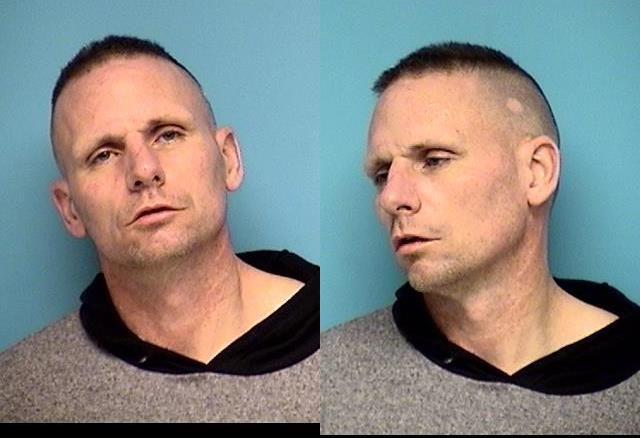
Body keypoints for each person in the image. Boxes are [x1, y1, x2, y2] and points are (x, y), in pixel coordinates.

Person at [322, 42, 640, 434]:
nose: (391, 198)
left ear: (536, 172)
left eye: (434, 160)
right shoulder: (328, 379)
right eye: (382, 175)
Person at [0, 35, 319, 422]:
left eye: (168, 134)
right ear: (70, 210)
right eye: (104, 154)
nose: (143, 170)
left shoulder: (337, 346)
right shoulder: (16, 394)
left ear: (228, 159)